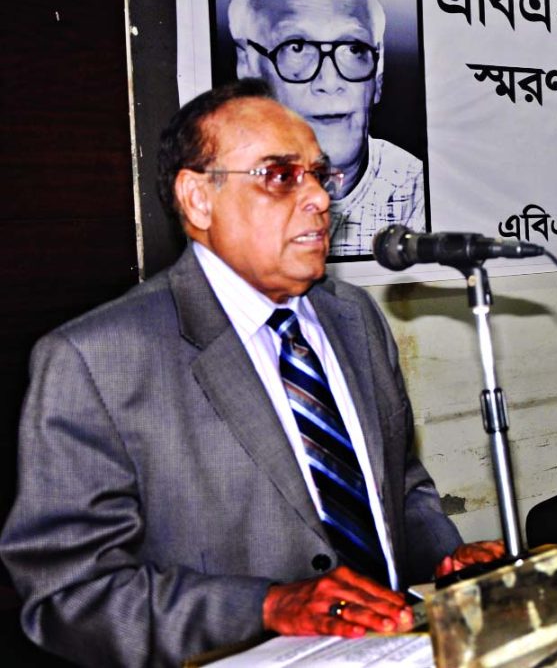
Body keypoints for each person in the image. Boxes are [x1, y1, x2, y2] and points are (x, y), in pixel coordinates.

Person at [0, 79, 501, 667]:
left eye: (320, 175)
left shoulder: (355, 318)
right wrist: (265, 606)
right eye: (281, 176)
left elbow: (400, 486)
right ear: (197, 199)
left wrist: (445, 562)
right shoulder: (96, 359)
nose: (318, 198)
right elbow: (69, 597)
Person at [227, 0, 425, 257]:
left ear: (379, 72)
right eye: (297, 47)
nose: (330, 82)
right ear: (249, 67)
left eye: (353, 48)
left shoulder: (415, 191)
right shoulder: (223, 196)